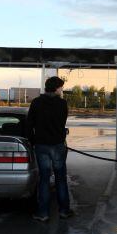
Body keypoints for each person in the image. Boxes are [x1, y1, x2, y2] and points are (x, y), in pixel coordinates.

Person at [26, 76, 74, 221]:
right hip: (58, 145)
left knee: (44, 179)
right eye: (61, 87)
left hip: (41, 145)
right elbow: (62, 123)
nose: (62, 90)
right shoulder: (62, 104)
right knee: (60, 178)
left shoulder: (36, 103)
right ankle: (64, 211)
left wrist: (33, 141)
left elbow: (29, 125)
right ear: (56, 87)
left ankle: (43, 213)